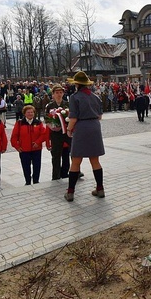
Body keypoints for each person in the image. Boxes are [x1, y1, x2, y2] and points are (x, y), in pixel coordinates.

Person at [64, 71, 105, 202]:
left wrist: (69, 130)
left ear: (76, 84)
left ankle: (70, 192)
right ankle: (100, 189)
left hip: (81, 128)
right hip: (94, 127)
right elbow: (99, 116)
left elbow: (73, 118)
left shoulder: (74, 97)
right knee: (95, 160)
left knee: (76, 161)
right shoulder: (95, 97)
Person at [10, 105, 46, 185]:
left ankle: (36, 180)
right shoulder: (19, 123)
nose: (30, 114)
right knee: (26, 167)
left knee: (37, 166)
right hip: (24, 150)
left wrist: (38, 142)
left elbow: (43, 134)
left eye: (32, 112)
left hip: (36, 149)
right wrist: (16, 146)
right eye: (28, 112)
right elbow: (14, 136)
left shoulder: (38, 122)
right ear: (24, 113)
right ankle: (28, 181)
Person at [45, 84, 71, 180]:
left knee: (74, 152)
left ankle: (75, 171)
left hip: (68, 132)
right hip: (56, 133)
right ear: (53, 94)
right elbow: (46, 119)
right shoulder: (50, 106)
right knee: (56, 155)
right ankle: (55, 175)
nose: (59, 94)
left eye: (60, 92)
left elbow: (72, 117)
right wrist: (52, 127)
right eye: (57, 93)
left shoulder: (67, 104)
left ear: (63, 93)